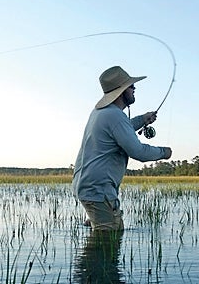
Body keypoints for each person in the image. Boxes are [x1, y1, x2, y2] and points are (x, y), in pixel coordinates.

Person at [72, 65, 172, 231]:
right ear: (122, 90)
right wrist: (164, 153)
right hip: (98, 190)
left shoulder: (102, 112)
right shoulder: (115, 116)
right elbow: (138, 151)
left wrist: (142, 119)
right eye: (131, 86)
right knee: (111, 237)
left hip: (88, 186)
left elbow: (121, 130)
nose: (134, 88)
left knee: (107, 234)